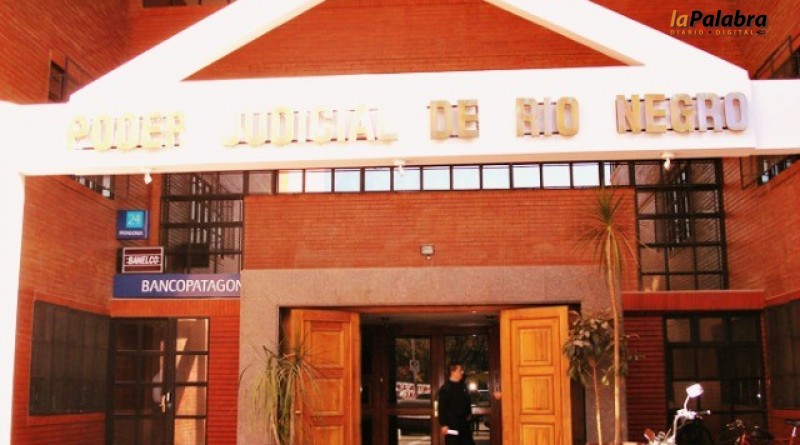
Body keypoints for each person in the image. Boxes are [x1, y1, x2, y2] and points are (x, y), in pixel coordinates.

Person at [437, 362, 475, 445]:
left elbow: (467, 402)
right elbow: (442, 408)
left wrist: (469, 415)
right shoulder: (446, 389)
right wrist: (444, 424)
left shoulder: (463, 386)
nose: (462, 372)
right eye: (460, 370)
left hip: (464, 426)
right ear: (453, 372)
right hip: (453, 426)